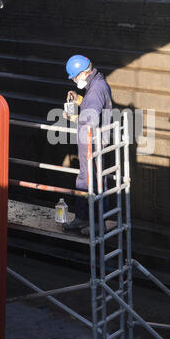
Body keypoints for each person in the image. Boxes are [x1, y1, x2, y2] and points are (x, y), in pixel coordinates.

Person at [63, 54, 112, 235]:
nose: (75, 80)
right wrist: (78, 100)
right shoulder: (96, 84)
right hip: (92, 140)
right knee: (86, 179)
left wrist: (73, 117)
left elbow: (90, 120)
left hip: (93, 141)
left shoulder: (97, 87)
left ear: (84, 73)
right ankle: (83, 218)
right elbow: (92, 105)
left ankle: (98, 223)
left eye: (75, 77)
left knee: (93, 181)